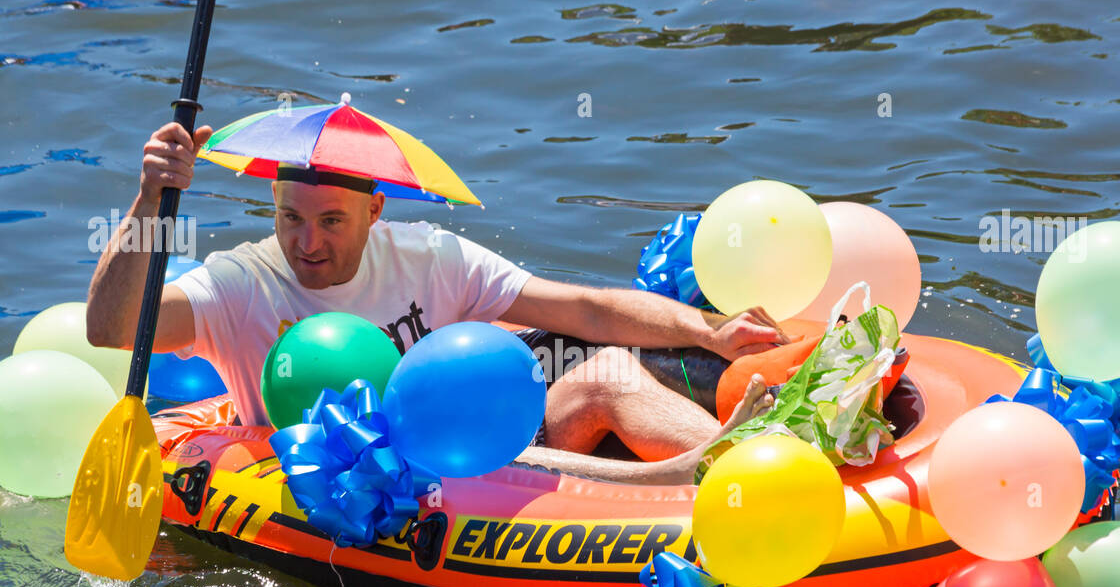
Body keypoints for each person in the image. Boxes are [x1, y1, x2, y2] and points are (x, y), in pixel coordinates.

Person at [86, 121, 782, 484]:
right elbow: (111, 328)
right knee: (469, 461)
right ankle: (677, 475)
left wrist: (711, 329)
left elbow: (586, 311)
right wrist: (150, 198)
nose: (307, 242)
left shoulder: (427, 255)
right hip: (346, 483)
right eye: (290, 217)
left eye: (331, 221)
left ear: (375, 211)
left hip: (465, 446)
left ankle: (756, 460)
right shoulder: (239, 284)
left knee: (606, 375)